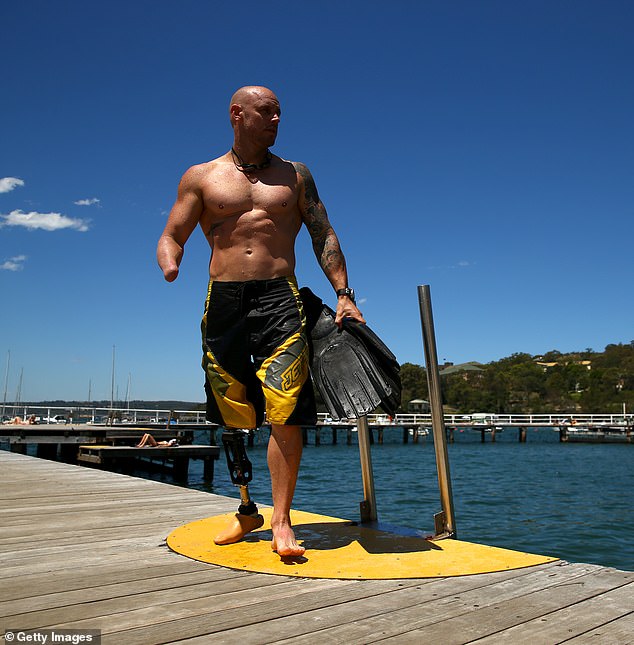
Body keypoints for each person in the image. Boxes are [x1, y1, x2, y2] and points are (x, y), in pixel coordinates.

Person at [157, 85, 364, 557]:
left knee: (286, 408)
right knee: (232, 411)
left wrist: (343, 294)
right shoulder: (202, 177)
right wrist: (171, 259)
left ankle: (281, 520)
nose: (276, 120)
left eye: (279, 113)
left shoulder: (295, 175)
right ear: (237, 114)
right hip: (223, 301)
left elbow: (322, 232)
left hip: (279, 298)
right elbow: (172, 233)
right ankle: (247, 509)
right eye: (267, 112)